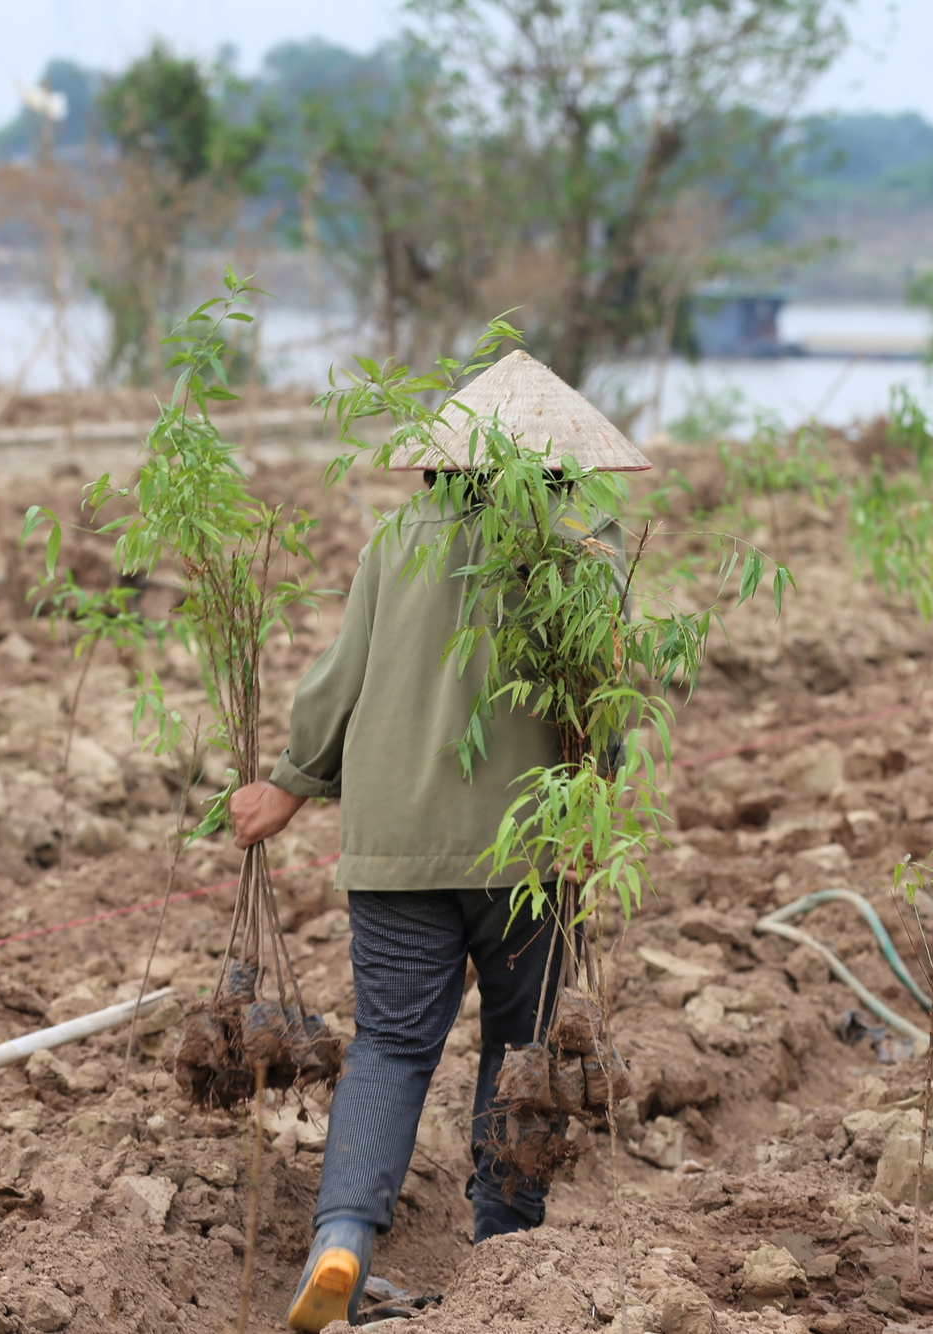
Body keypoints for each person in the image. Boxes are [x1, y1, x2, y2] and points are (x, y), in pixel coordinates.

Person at [225, 351, 651, 1333]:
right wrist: (594, 800)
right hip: (532, 848)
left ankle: (340, 1239)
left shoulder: (396, 538)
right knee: (521, 1049)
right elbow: (607, 700)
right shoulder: (587, 539)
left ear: (444, 460)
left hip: (396, 843)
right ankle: (506, 1257)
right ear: (561, 460)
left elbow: (337, 682)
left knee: (391, 1046)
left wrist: (288, 785)